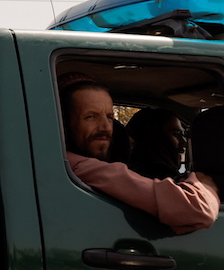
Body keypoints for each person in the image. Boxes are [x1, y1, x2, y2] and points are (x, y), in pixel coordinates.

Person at [59, 73, 220, 234]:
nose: (105, 127)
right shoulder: (82, 167)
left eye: (109, 117)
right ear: (63, 123)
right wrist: (206, 186)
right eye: (90, 117)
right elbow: (195, 209)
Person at [126, 107, 186, 179]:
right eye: (175, 134)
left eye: (182, 135)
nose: (183, 142)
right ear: (153, 136)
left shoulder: (128, 171)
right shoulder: (163, 178)